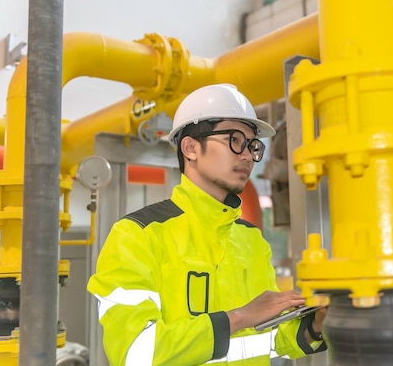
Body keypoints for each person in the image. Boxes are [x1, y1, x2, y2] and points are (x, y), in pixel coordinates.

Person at [88, 83, 327, 365]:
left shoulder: (250, 240)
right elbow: (136, 353)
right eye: (235, 140)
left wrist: (316, 326)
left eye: (252, 145)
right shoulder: (136, 235)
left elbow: (267, 340)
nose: (248, 155)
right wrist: (239, 317)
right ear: (190, 148)